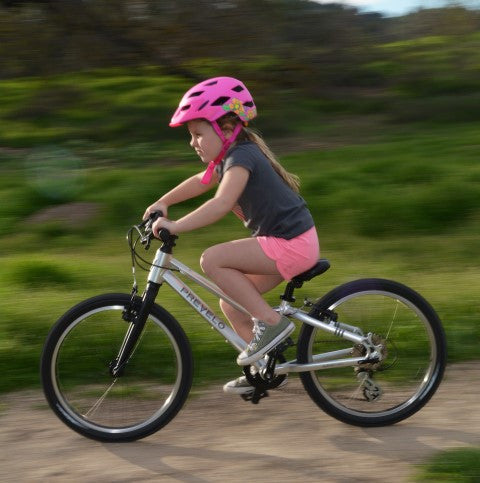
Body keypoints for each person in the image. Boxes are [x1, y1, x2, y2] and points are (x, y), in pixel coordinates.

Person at [143, 76, 319, 395]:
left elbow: (221, 203)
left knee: (212, 259)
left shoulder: (242, 157)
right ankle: (264, 368)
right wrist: (164, 202)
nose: (192, 142)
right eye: (191, 135)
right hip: (285, 245)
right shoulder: (230, 157)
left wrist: (176, 226)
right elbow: (201, 181)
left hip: (291, 246)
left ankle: (272, 323)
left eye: (198, 133)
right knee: (232, 304)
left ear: (224, 128)